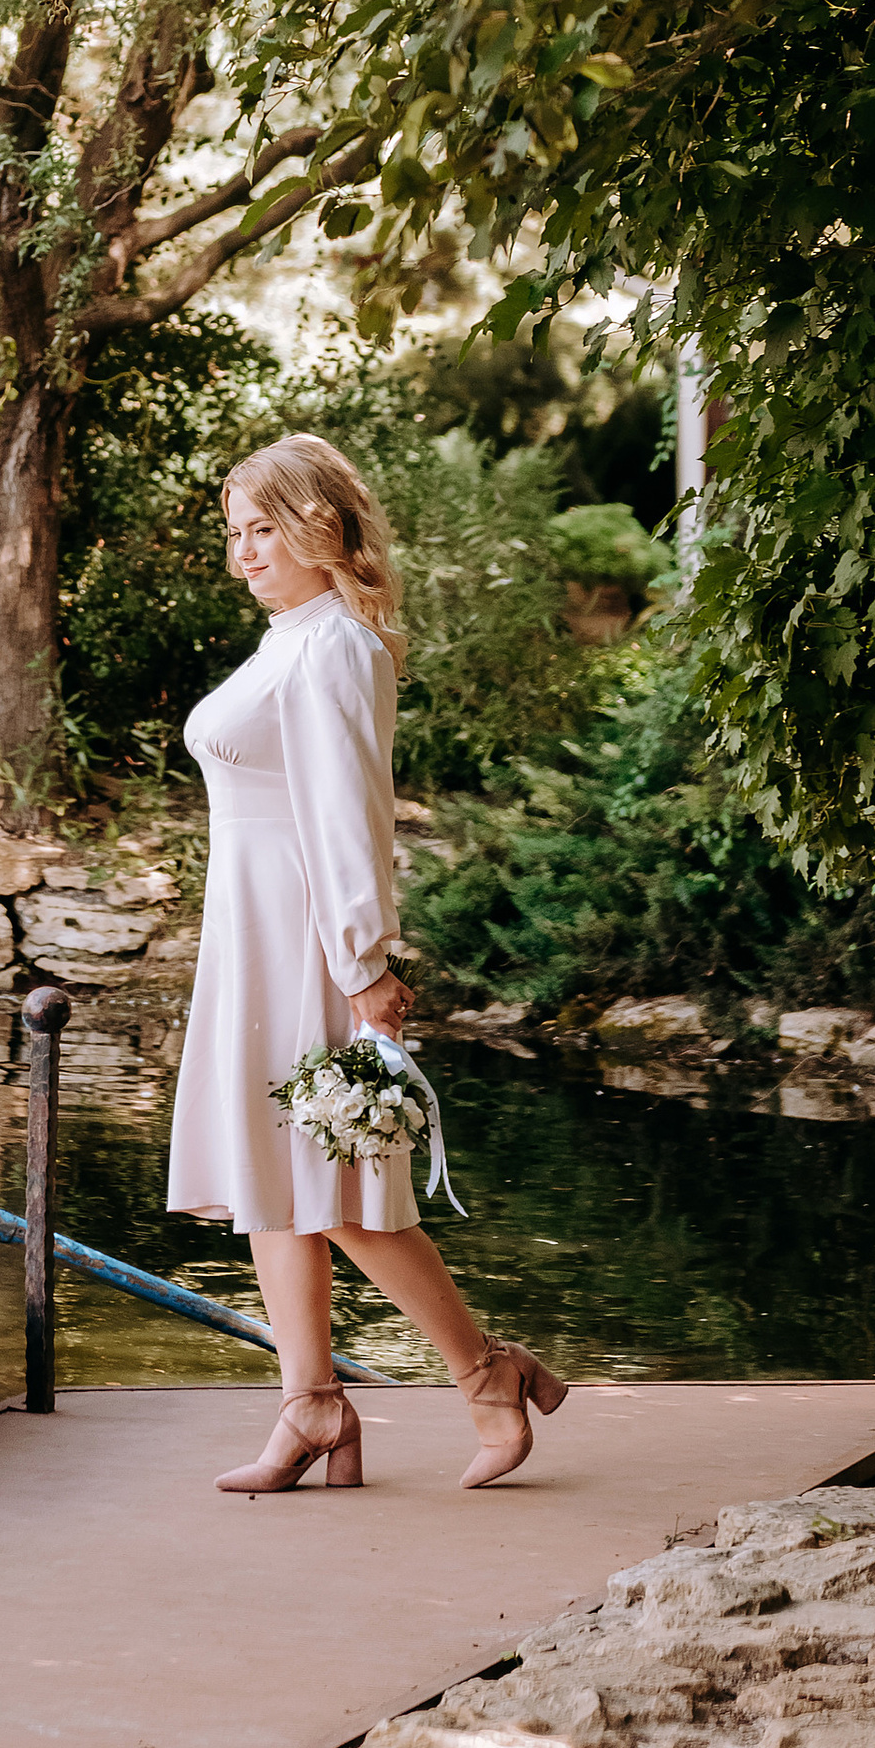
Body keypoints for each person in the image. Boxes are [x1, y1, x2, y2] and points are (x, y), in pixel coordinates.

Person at [166, 429, 567, 1494]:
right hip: (252, 937)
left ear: (319, 526)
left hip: (306, 944)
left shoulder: (336, 645)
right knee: (271, 1181)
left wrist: (361, 963)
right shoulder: (288, 639)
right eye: (234, 533)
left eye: (262, 529)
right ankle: (311, 1408)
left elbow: (348, 820)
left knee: (335, 1186)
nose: (243, 552)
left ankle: (485, 1373)